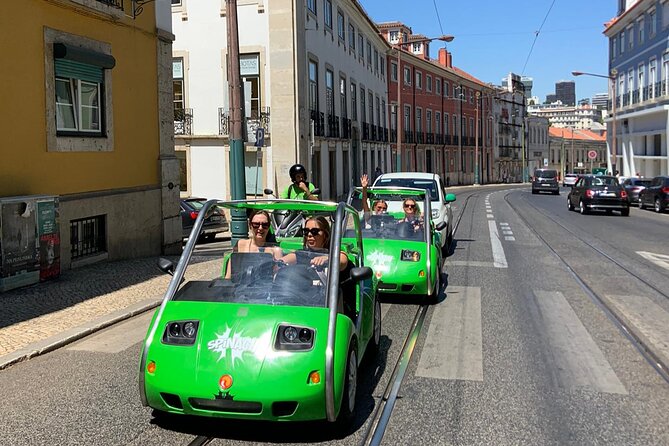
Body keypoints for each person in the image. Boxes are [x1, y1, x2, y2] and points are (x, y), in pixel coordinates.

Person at [225, 210, 283, 279]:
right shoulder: (240, 245)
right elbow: (228, 277)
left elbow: (277, 279)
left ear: (268, 227)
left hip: (264, 288)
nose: (260, 228)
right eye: (256, 225)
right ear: (250, 226)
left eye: (265, 225)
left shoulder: (275, 251)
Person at [280, 216, 349, 272]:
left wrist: (328, 259)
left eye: (314, 231)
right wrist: (278, 262)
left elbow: (342, 260)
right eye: (306, 231)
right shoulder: (302, 254)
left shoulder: (334, 253)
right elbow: (285, 260)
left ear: (325, 234)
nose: (309, 234)